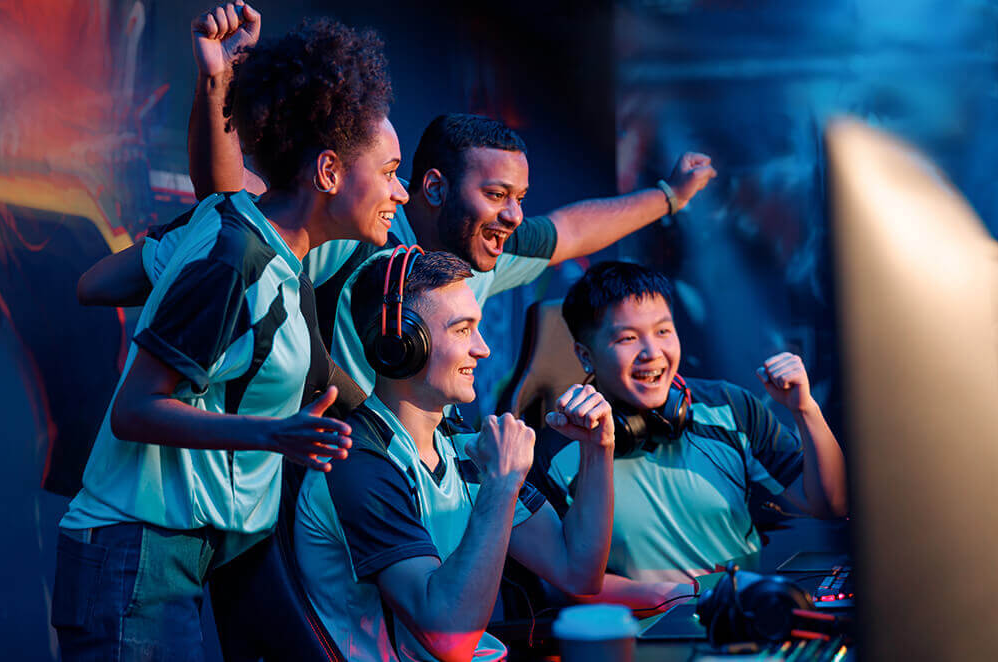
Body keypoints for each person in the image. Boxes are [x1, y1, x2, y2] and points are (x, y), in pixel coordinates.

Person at [77, 5, 718, 396]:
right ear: (433, 188)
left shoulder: (488, 248)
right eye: (497, 194)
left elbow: (572, 230)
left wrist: (669, 196)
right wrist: (221, 81)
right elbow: (227, 205)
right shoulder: (350, 235)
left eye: (520, 198)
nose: (514, 215)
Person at [51, 11, 405, 660]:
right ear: (329, 172)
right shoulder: (233, 256)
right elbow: (134, 409)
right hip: (138, 559)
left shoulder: (259, 242)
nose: (400, 193)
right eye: (389, 172)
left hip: (186, 557)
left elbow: (98, 283)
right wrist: (273, 434)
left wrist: (171, 251)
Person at [292, 249, 617, 661]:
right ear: (401, 343)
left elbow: (579, 571)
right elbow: (449, 637)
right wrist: (501, 485)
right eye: (463, 330)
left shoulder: (464, 449)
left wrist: (597, 449)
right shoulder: (357, 464)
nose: (483, 349)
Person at [539, 260, 848, 616]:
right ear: (585, 355)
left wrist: (805, 409)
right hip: (643, 636)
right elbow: (570, 582)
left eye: (663, 331)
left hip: (747, 622)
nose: (652, 352)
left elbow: (833, 504)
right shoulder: (556, 451)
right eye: (627, 338)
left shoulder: (730, 407)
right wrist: (689, 595)